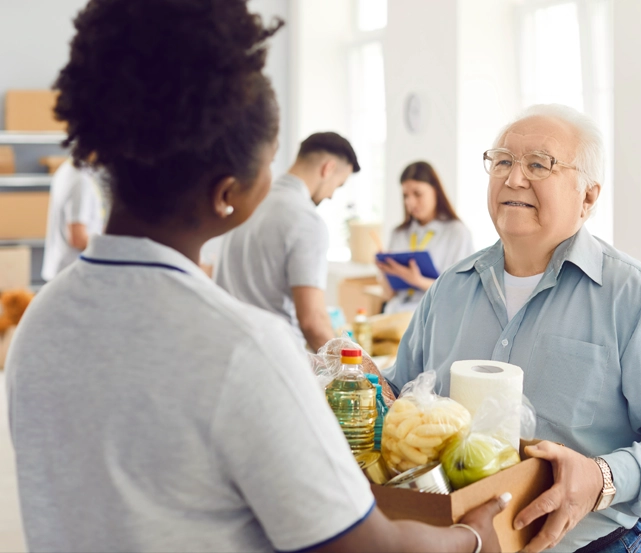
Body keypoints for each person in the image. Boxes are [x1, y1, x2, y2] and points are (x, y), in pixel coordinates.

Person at [4, 1, 508, 552]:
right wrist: (471, 536)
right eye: (269, 162)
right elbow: (366, 546)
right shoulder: (243, 349)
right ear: (227, 193)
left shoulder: (39, 322)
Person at [384, 104, 641, 553]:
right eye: (502, 161)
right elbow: (401, 393)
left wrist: (602, 477)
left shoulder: (638, 298)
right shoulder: (449, 288)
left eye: (538, 164)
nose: (514, 178)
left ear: (588, 197)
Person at [214, 132, 359, 351]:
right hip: (274, 354)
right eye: (338, 185)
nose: (331, 195)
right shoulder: (306, 219)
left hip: (229, 347)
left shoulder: (248, 202)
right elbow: (313, 323)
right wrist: (350, 367)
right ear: (328, 169)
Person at [377, 161, 474, 314]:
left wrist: (417, 280)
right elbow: (389, 295)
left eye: (417, 194)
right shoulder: (398, 233)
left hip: (433, 315)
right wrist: (384, 272)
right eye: (405, 196)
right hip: (396, 314)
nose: (410, 202)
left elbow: (459, 291)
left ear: (435, 191)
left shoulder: (457, 232)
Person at [40, 156, 105, 281]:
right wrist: (113, 247)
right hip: (74, 274)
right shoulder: (80, 181)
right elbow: (78, 238)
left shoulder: (67, 169)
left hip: (64, 272)